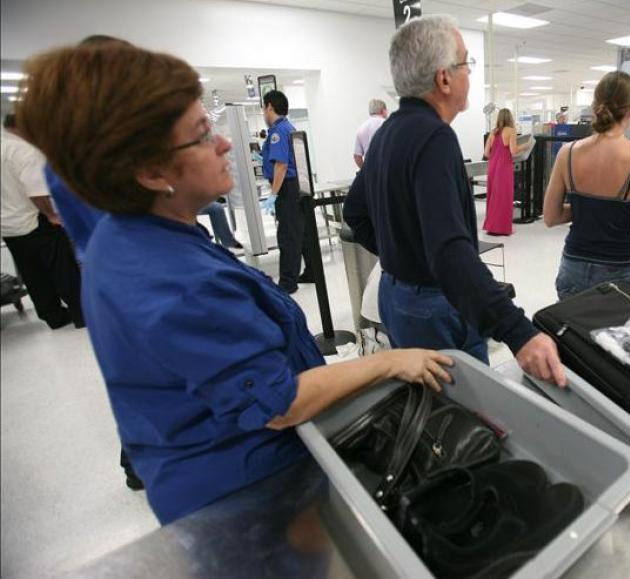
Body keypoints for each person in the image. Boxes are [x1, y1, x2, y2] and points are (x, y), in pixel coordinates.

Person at [17, 41, 453, 525]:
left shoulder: (121, 231)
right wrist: (392, 361)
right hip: (250, 496)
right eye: (202, 134)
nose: (225, 143)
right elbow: (280, 403)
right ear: (149, 170)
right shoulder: (178, 284)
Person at [343, 15, 565, 386]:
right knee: (468, 422)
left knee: (432, 414)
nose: (469, 74)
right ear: (444, 78)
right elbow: (450, 254)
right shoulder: (434, 137)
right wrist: (518, 332)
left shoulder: (387, 133)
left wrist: (402, 254)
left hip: (395, 297)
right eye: (466, 64)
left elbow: (355, 212)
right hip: (434, 306)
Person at [542, 71, 630, 300]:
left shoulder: (567, 153)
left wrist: (585, 210)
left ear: (596, 104)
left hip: (573, 268)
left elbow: (550, 217)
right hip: (620, 270)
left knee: (574, 334)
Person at [1, 113, 84, 329]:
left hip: (8, 224)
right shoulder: (24, 151)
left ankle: (52, 316)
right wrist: (51, 215)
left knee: (32, 272)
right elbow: (36, 192)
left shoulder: (3, 147)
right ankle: (80, 313)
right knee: (62, 266)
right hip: (33, 219)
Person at [261, 90, 305, 294]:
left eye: (263, 108)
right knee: (298, 232)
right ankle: (309, 271)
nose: (263, 113)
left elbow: (281, 166)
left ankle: (288, 282)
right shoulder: (288, 127)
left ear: (269, 106)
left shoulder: (278, 131)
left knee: (287, 235)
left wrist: (273, 194)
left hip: (286, 187)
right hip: (292, 185)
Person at [482, 108, 528, 236]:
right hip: (504, 166)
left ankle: (491, 226)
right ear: (510, 118)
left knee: (493, 196)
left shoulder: (493, 132)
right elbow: (513, 151)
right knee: (504, 196)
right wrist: (526, 145)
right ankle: (503, 228)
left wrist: (495, 155)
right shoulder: (511, 131)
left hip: (492, 166)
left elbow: (486, 153)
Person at [353, 99, 388, 169]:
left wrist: (365, 171)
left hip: (370, 170)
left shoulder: (361, 128)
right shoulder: (388, 125)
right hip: (387, 170)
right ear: (383, 111)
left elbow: (357, 156)